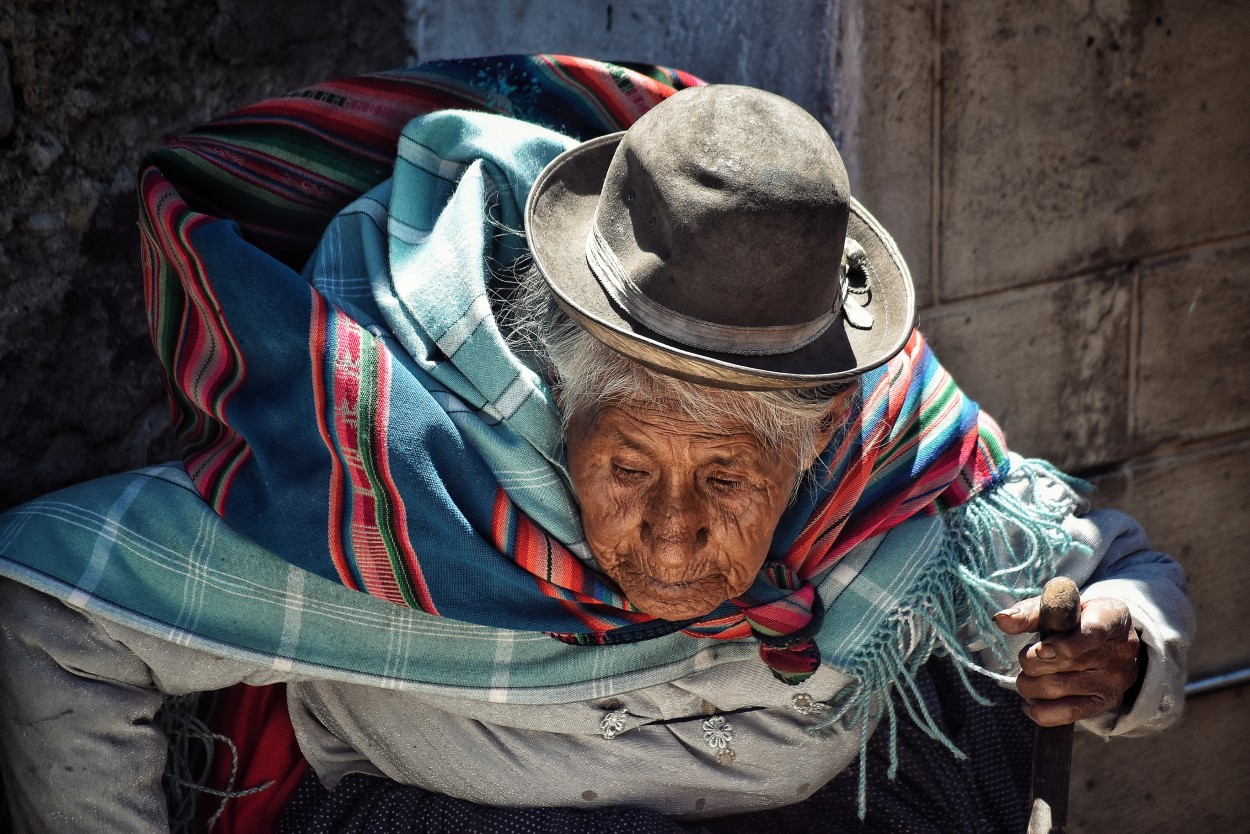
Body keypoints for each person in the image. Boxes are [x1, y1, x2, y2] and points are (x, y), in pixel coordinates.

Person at [0, 56, 1191, 834]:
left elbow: (1102, 564)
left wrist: (1125, 657)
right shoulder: (403, 475)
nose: (672, 535)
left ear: (814, 440)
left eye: (728, 479)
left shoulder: (885, 454)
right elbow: (53, 600)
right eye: (627, 470)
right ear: (554, 396)